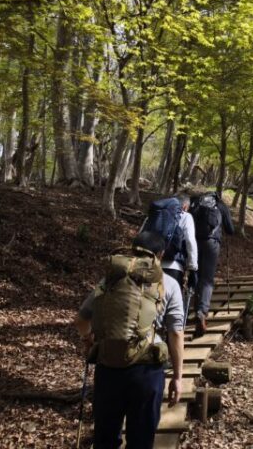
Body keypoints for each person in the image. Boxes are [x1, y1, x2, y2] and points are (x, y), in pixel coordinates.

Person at [75, 230, 184, 449]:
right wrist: (178, 378)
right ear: (160, 255)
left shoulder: (110, 280)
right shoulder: (168, 284)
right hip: (146, 372)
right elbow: (175, 333)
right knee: (141, 440)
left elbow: (81, 319)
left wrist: (88, 341)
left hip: (108, 367)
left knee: (105, 439)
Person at [190, 192, 235, 337]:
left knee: (195, 275)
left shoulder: (196, 204)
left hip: (195, 242)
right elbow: (230, 229)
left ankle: (194, 309)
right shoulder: (220, 205)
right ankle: (202, 312)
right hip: (212, 243)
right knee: (207, 280)